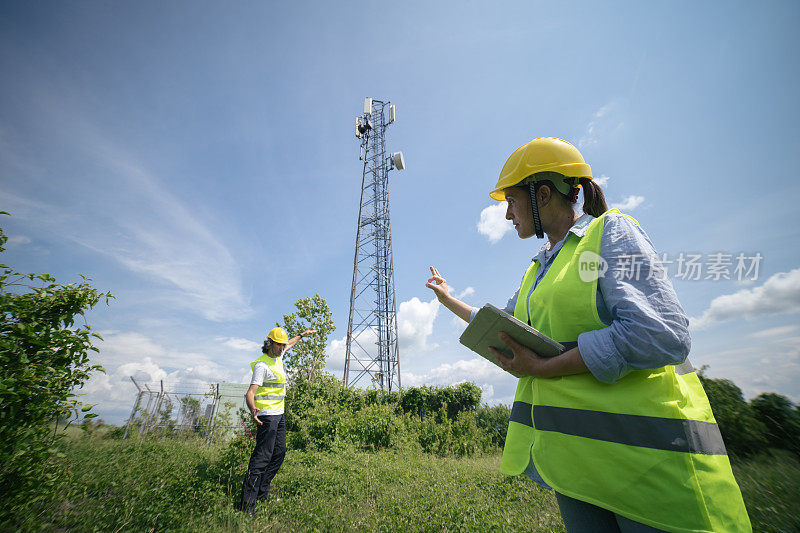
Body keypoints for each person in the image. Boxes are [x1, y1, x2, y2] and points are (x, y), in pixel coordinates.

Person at [426, 137, 751, 532]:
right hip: (579, 471)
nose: (507, 214)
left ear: (542, 194)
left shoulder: (610, 234)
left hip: (653, 473)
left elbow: (661, 333)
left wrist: (546, 368)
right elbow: (498, 320)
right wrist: (448, 300)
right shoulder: (539, 268)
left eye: (511, 201)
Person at [239, 326, 316, 518]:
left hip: (279, 414)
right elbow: (250, 393)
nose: (282, 348)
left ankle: (262, 493)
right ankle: (247, 505)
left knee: (279, 453)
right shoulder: (262, 366)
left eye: (282, 345)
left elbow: (290, 343)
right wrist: (252, 409)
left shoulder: (279, 355)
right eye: (278, 345)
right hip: (266, 416)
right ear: (269, 344)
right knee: (261, 459)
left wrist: (301, 335)